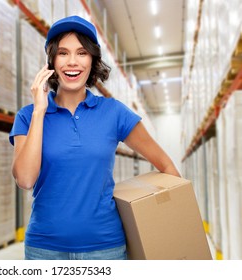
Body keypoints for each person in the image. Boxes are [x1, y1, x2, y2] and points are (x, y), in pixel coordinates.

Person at [9, 15, 181, 260]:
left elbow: (166, 166)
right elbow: (25, 179)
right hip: (44, 250)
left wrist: (169, 223)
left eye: (81, 53)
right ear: (52, 61)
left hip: (105, 249)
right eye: (63, 53)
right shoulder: (27, 116)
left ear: (92, 60)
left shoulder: (114, 113)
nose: (72, 62)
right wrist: (39, 111)